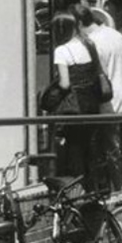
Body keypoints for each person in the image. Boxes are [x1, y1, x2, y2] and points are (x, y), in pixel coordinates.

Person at [74, 3, 122, 190]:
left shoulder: (91, 43)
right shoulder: (115, 34)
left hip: (110, 100)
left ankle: (119, 189)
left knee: (111, 149)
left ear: (78, 23)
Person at [49, 11, 103, 179]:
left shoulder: (61, 51)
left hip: (74, 106)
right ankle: (93, 187)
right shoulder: (89, 45)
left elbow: (65, 83)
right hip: (92, 104)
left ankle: (78, 189)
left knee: (75, 149)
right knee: (90, 148)